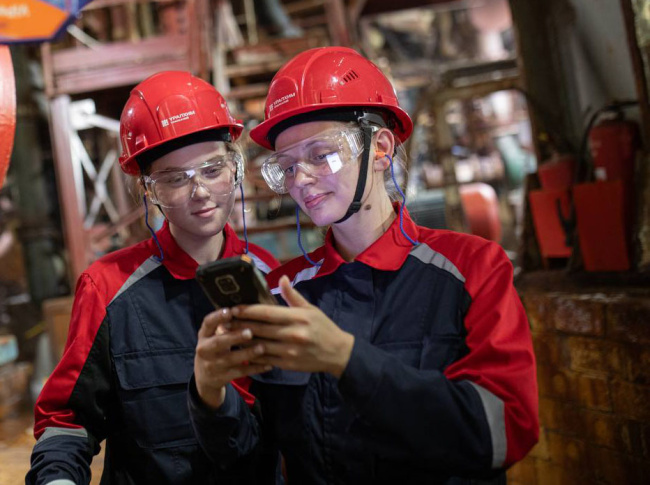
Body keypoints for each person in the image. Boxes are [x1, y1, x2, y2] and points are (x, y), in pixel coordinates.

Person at [189, 47, 538, 484]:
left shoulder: (472, 268)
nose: (301, 180)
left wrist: (346, 359)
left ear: (380, 149)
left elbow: (504, 432)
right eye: (287, 167)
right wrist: (210, 395)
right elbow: (250, 458)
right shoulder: (280, 292)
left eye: (321, 155)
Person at [26, 71, 279, 485]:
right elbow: (68, 419)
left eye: (213, 169)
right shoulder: (108, 287)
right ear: (149, 190)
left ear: (235, 167)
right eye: (175, 178)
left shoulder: (275, 280)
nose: (200, 191)